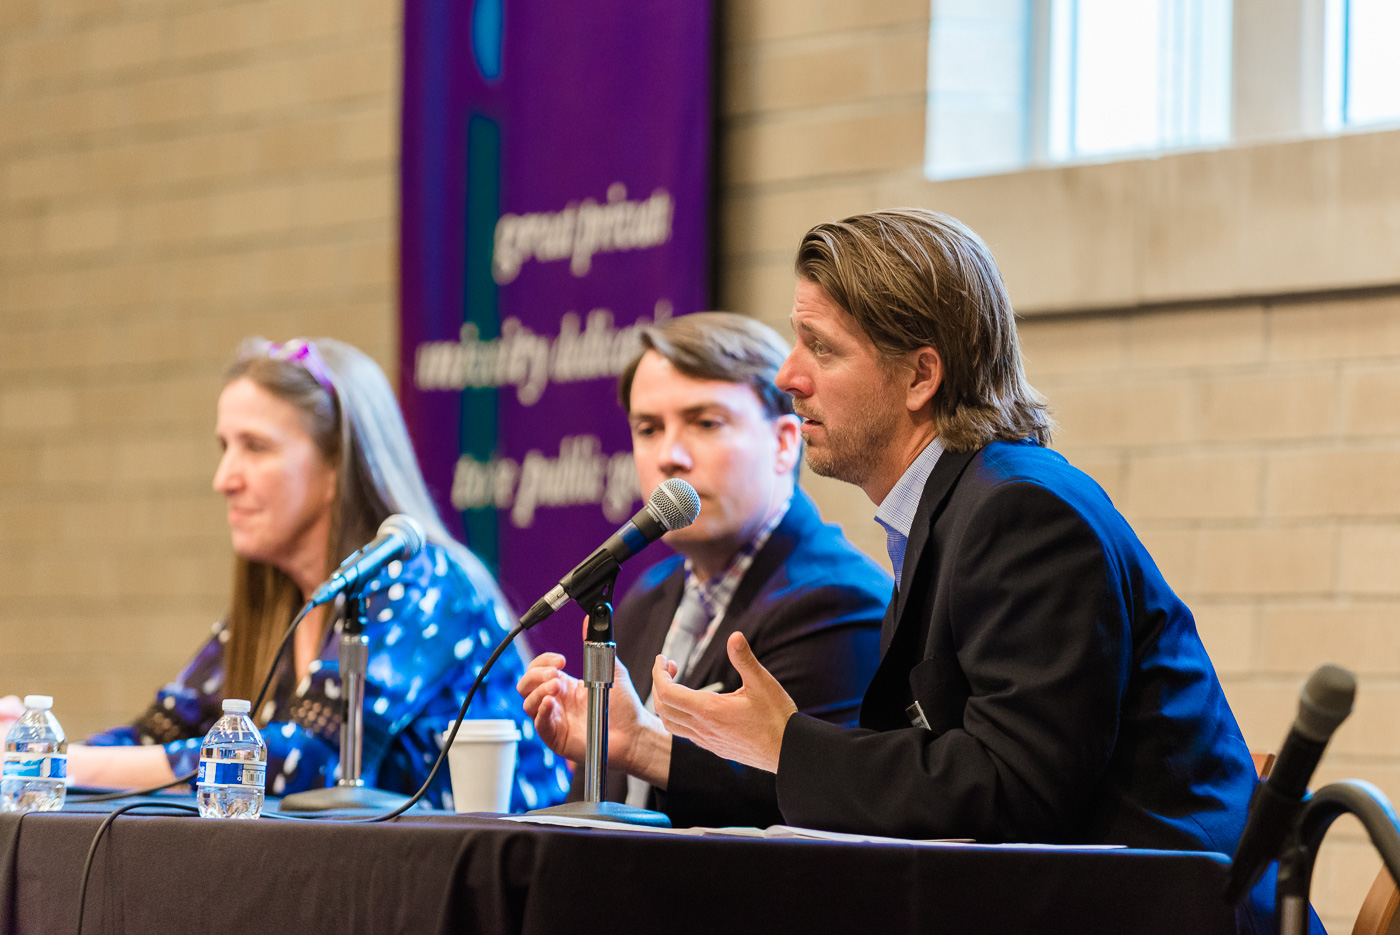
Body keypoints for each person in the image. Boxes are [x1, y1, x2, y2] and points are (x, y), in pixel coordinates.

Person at [644, 211, 1305, 932]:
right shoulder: (956, 504)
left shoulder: (1020, 512)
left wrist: (786, 743)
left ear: (920, 376)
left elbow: (1014, 788)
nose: (788, 376)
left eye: (822, 348)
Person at [3, 338, 568, 812]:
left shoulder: (426, 580)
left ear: (335, 469)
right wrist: (30, 744)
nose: (224, 477)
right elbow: (157, 735)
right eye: (224, 447)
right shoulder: (283, 605)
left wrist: (53, 762)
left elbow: (305, 762)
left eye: (255, 448)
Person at [517, 312, 890, 826]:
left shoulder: (839, 601)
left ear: (784, 443)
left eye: (706, 423)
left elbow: (803, 804)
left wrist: (643, 745)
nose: (670, 455)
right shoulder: (645, 598)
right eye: (648, 429)